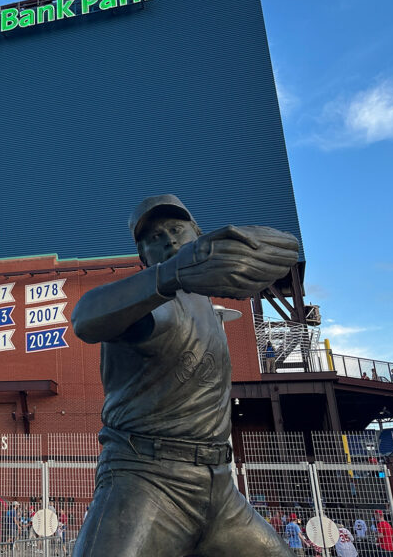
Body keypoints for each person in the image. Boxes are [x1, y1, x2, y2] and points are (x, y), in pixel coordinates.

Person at [70, 194, 299, 557]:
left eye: (177, 229)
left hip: (220, 487)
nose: (169, 240)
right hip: (146, 479)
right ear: (144, 259)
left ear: (199, 234)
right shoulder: (150, 303)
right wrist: (169, 274)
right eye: (154, 238)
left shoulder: (208, 307)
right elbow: (84, 318)